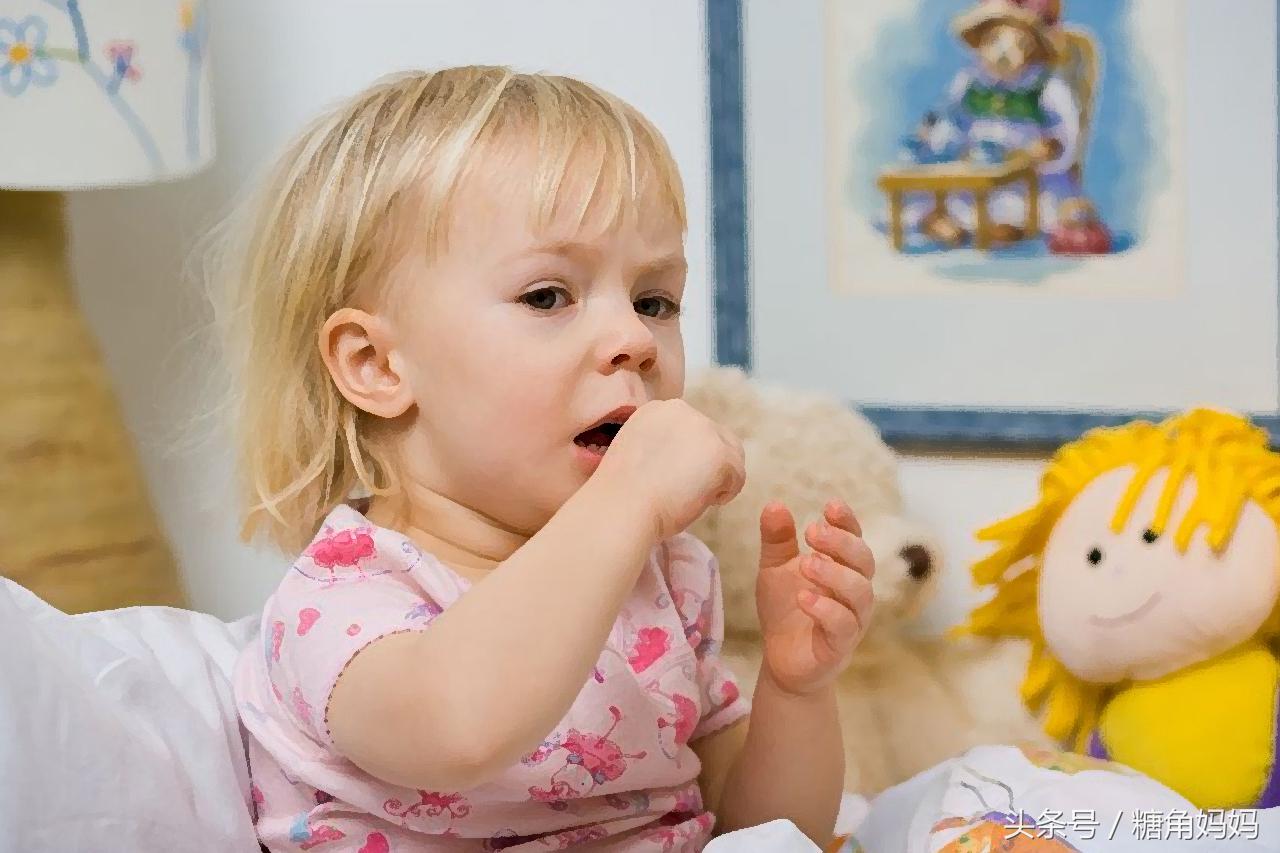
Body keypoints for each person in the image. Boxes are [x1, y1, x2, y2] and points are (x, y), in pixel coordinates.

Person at [217, 66, 876, 851]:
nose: (634, 338)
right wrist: (626, 498)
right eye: (547, 296)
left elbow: (763, 829)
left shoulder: (669, 576)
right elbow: (458, 728)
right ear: (377, 366)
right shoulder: (342, 598)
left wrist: (796, 689)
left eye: (654, 300)